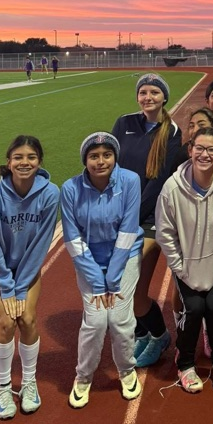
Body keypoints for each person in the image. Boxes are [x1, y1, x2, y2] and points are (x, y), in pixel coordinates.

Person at [0, 135, 59, 419]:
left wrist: (21, 287)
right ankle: (3, 386)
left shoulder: (50, 194)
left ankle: (30, 382)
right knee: (6, 320)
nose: (25, 162)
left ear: (39, 162)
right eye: (19, 157)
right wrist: (7, 289)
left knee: (28, 319)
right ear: (8, 162)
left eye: (31, 157)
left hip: (27, 268)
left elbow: (40, 245)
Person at [155, 127, 213, 392]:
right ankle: (185, 364)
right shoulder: (173, 187)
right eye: (200, 148)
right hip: (187, 266)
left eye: (212, 150)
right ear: (190, 149)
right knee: (192, 310)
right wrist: (179, 266)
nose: (204, 154)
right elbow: (165, 231)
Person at [60, 132, 144, 409]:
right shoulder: (70, 189)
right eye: (93, 156)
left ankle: (126, 370)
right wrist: (98, 282)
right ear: (85, 160)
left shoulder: (130, 181)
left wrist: (113, 278)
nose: (100, 161)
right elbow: (73, 239)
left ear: (114, 157)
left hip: (126, 256)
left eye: (106, 155)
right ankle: (83, 377)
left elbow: (129, 229)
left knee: (119, 320)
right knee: (96, 322)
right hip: (89, 262)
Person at [111, 73, 185, 368]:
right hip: (120, 215)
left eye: (154, 92)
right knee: (121, 288)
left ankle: (158, 336)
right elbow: (112, 166)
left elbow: (158, 181)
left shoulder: (172, 131)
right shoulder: (124, 124)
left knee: (131, 287)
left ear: (164, 97)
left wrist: (132, 216)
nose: (148, 97)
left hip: (149, 218)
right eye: (143, 92)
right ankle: (144, 334)